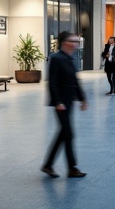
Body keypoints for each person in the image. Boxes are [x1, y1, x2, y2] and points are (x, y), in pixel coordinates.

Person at [42, 31, 88, 179]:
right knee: (68, 134)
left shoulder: (70, 58)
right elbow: (52, 82)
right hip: (60, 103)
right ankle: (72, 168)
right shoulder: (56, 58)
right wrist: (57, 102)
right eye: (72, 41)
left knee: (64, 133)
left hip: (69, 101)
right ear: (63, 42)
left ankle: (48, 165)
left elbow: (75, 81)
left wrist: (82, 98)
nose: (75, 44)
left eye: (77, 41)